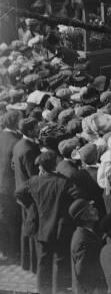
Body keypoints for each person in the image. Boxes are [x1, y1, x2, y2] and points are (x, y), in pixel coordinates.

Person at [15, 150, 81, 294]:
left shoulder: (33, 181)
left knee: (43, 261)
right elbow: (78, 197)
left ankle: (42, 290)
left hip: (40, 229)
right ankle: (58, 290)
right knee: (59, 261)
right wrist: (67, 213)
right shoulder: (64, 182)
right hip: (59, 229)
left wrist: (31, 207)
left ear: (41, 167)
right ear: (55, 165)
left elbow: (19, 192)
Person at [13, 116, 39, 272]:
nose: (38, 130)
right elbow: (33, 176)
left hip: (21, 191)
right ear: (30, 130)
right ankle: (34, 264)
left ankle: (26, 262)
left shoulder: (20, 144)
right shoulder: (29, 149)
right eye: (36, 127)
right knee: (33, 228)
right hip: (30, 195)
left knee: (27, 227)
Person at [69, 199, 106, 294]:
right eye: (91, 209)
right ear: (84, 217)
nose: (96, 210)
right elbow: (83, 273)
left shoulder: (86, 233)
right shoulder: (83, 240)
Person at [0, 110, 21, 263]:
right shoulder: (15, 141)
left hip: (1, 185)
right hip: (10, 186)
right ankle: (13, 251)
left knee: (4, 218)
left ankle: (5, 249)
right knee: (13, 219)